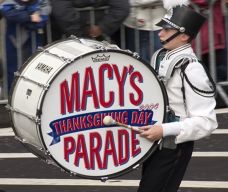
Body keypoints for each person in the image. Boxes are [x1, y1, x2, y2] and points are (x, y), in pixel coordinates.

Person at [137, 1, 218, 191]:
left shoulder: (192, 68)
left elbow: (207, 122)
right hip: (155, 141)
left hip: (174, 146)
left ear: (183, 36)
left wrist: (164, 130)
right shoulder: (161, 56)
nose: (160, 33)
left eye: (166, 30)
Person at [0, 0, 51, 90]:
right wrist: (30, 17)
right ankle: (11, 96)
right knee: (12, 72)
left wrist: (23, 19)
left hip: (35, 41)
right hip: (13, 41)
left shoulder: (42, 2)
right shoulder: (9, 2)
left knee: (35, 69)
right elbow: (8, 14)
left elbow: (42, 20)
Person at [50, 0, 129, 44]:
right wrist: (80, 33)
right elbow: (62, 11)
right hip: (64, 38)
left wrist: (102, 28)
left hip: (100, 38)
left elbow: (122, 8)